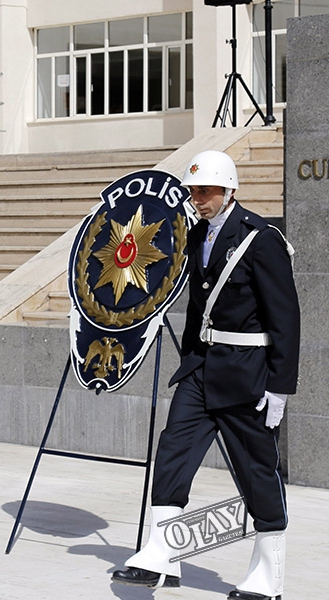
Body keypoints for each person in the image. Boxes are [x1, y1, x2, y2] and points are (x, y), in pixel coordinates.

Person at [111, 150, 300, 600]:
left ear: (230, 191)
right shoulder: (196, 235)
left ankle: (267, 576)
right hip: (201, 370)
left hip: (247, 375)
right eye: (194, 191)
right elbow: (199, 307)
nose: (199, 199)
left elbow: (286, 318)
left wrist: (279, 386)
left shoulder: (261, 239)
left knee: (257, 470)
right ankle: (161, 553)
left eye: (208, 191)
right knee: (173, 450)